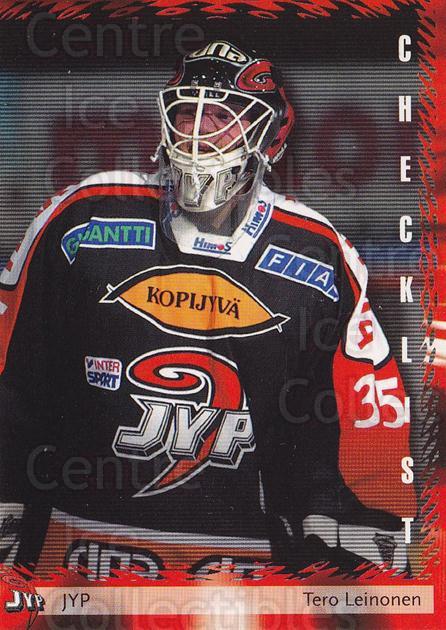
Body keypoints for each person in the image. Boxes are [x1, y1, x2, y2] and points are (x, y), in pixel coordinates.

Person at [0, 40, 416, 579]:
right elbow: (13, 378)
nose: (199, 131)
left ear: (270, 134)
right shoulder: (83, 217)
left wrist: (370, 538)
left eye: (222, 115)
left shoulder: (320, 253)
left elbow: (370, 419)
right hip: (77, 561)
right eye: (187, 113)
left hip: (251, 575)